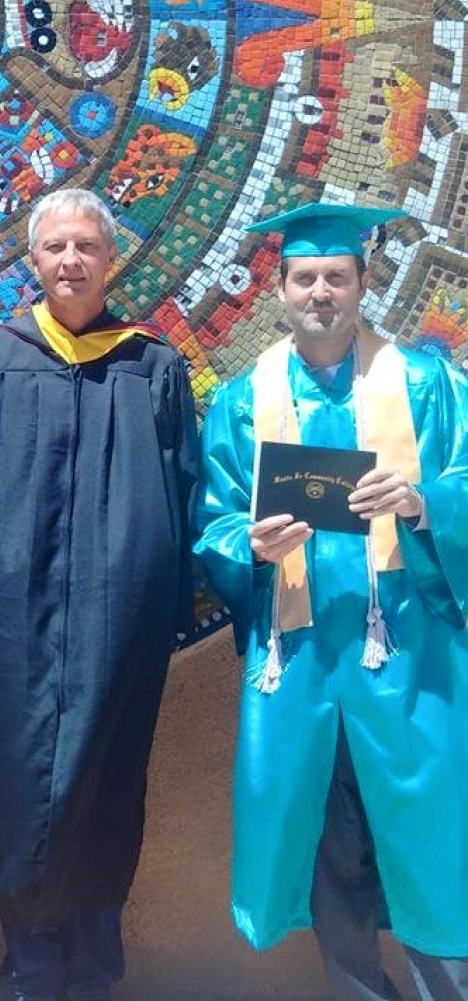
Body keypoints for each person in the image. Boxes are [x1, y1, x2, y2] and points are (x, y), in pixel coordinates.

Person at [194, 201, 468, 1001]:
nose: (322, 292)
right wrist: (243, 545)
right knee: (330, 850)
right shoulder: (245, 400)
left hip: (412, 664)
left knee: (427, 840)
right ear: (279, 288)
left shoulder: (426, 383)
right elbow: (211, 518)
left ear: (363, 284)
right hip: (303, 663)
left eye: (337, 278)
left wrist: (422, 502)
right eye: (306, 277)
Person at [0, 188, 198, 1001]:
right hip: (9, 622)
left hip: (117, 621)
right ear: (32, 261)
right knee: (19, 784)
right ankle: (28, 964)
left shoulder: (153, 366)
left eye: (86, 247)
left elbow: (186, 494)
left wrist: (159, 606)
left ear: (110, 259)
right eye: (55, 247)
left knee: (104, 780)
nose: (70, 261)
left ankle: (94, 968)